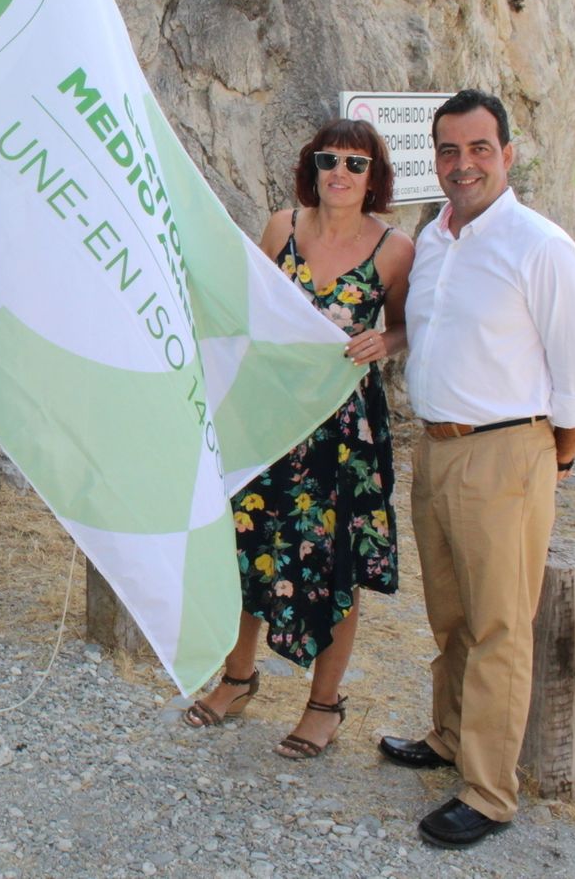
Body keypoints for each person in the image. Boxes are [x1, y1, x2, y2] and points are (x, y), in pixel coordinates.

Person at [381, 89, 575, 848]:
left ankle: (488, 790)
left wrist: (557, 457)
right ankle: (449, 737)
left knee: (499, 624)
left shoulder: (541, 246)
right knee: (449, 611)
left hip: (508, 449)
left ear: (507, 155)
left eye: (480, 148)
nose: (463, 164)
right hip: (436, 447)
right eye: (449, 150)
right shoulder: (438, 242)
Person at [184, 119, 413, 761]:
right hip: (269, 422)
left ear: (375, 176)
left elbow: (405, 329)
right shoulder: (280, 227)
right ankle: (237, 677)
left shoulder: (394, 250)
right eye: (328, 159)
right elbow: (242, 309)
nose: (339, 172)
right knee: (246, 547)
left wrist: (384, 343)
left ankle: (324, 704)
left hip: (343, 434)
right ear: (312, 167)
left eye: (356, 163)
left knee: (334, 565)